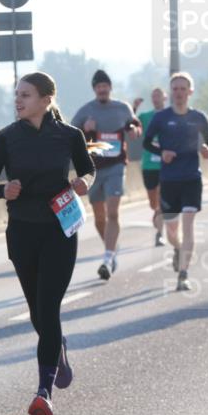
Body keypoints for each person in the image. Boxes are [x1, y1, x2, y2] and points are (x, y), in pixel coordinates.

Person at [0, 72, 94, 415]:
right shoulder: (6, 138)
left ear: (46, 100)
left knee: (48, 306)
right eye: (17, 94)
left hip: (59, 231)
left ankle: (43, 393)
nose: (18, 100)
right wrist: (3, 190)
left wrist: (83, 182)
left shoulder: (69, 135)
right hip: (22, 232)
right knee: (37, 312)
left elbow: (88, 169)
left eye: (26, 95)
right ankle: (57, 349)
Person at [142, 72, 208, 291]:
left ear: (190, 92)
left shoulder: (198, 117)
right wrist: (162, 152)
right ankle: (177, 249)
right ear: (171, 92)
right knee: (172, 232)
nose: (179, 93)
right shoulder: (161, 118)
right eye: (175, 89)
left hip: (192, 179)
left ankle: (183, 274)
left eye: (183, 89)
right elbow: (147, 143)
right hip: (169, 180)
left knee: (189, 226)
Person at [70, 70, 141, 280]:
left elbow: (134, 123)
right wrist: (85, 128)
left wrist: (134, 130)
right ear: (94, 89)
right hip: (93, 169)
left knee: (113, 213)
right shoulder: (86, 110)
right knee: (99, 218)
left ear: (110, 87)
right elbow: (71, 135)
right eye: (98, 86)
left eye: (105, 86)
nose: (102, 89)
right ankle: (112, 248)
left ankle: (108, 258)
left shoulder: (122, 108)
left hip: (116, 166)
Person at [134, 88, 167, 246]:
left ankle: (159, 234)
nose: (155, 98)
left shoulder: (170, 115)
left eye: (158, 95)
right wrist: (134, 107)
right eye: (153, 96)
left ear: (165, 97)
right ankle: (157, 211)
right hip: (148, 164)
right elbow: (131, 123)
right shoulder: (146, 116)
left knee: (161, 200)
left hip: (166, 164)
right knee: (153, 203)